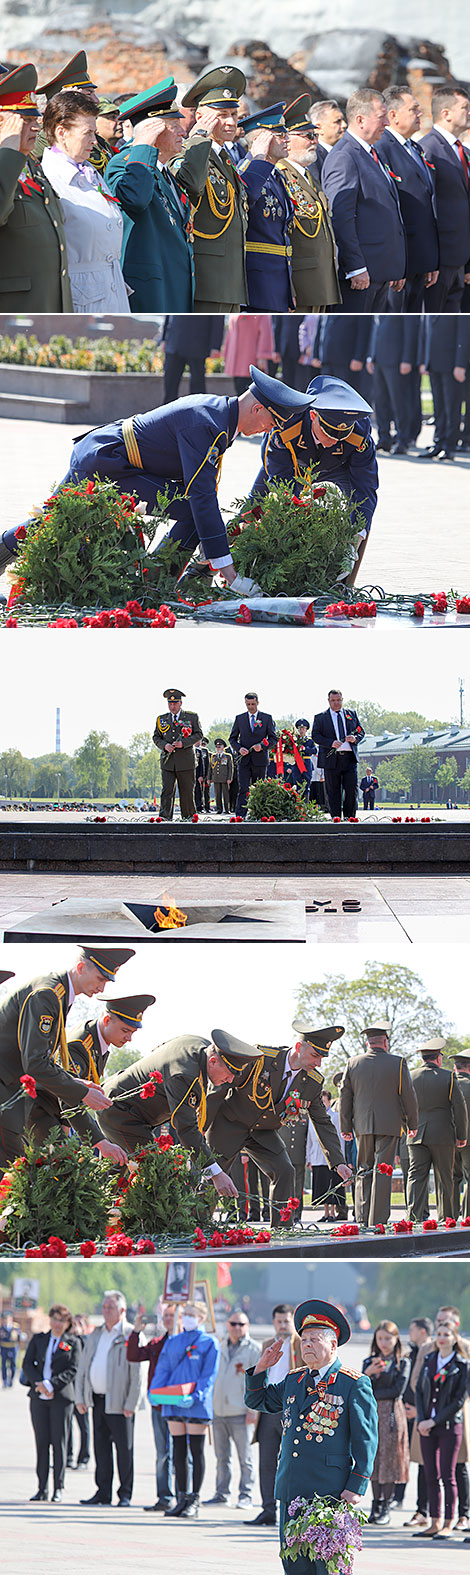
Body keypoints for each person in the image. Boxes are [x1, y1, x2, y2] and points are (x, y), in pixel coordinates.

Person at [0, 370, 314, 585]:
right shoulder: (209, 423)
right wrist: (226, 567)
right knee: (194, 510)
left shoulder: (219, 415)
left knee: (59, 518)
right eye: (272, 422)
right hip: (109, 461)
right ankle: (154, 583)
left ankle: (154, 581)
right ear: (258, 409)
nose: (268, 430)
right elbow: (201, 496)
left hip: (106, 453)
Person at [245, 1297, 378, 1570]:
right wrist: (260, 1369)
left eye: (315, 1339)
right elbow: (259, 1401)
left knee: (327, 1565)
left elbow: (366, 1438)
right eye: (304, 1339)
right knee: (295, 1564)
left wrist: (357, 1485)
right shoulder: (295, 1379)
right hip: (293, 1487)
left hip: (329, 1490)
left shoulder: (353, 1383)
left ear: (333, 1344)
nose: (307, 1345)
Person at [0, 946, 134, 1171]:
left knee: (14, 1177)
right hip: (6, 1089)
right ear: (81, 967)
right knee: (10, 1176)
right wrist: (82, 1092)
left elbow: (42, 1058)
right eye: (100, 978)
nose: (101, 987)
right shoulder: (48, 994)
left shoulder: (59, 995)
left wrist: (79, 1083)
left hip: (10, 1091)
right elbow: (35, 1062)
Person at [207, 1021, 352, 1227]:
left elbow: (322, 1121)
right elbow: (221, 1088)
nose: (319, 1063)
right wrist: (201, 1126)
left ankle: (281, 1230)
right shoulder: (260, 1058)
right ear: (299, 1048)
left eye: (322, 1057)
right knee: (210, 1171)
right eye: (315, 1055)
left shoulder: (312, 1081)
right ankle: (196, 1227)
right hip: (231, 1123)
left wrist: (338, 1162)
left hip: (263, 1131)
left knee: (285, 1170)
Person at [99, 1026, 261, 1198]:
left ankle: (99, 1217)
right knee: (160, 1174)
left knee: (113, 1177)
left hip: (124, 1108)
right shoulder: (185, 1075)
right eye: (229, 1074)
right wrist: (216, 1174)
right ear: (213, 1061)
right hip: (121, 1113)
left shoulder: (200, 1047)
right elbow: (186, 1128)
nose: (230, 1080)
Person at [249, 370, 378, 584]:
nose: (333, 442)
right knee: (254, 506)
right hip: (292, 465)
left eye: (341, 436)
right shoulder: (287, 422)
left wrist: (355, 536)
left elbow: (365, 488)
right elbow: (282, 483)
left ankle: (343, 585)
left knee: (362, 515)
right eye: (327, 433)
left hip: (338, 468)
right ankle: (209, 569)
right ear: (312, 415)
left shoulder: (360, 431)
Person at [105, 78, 210, 313]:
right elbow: (136, 199)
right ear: (154, 129)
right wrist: (142, 146)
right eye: (174, 125)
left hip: (173, 284)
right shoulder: (124, 162)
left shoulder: (164, 171)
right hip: (150, 288)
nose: (183, 131)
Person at [41, 90, 130, 313]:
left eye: (95, 133)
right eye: (87, 133)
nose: (94, 141)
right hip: (81, 295)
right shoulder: (49, 180)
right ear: (62, 133)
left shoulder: (90, 171)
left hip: (111, 288)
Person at [322, 87, 406, 313]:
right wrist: (355, 266)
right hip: (360, 275)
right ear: (360, 119)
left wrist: (395, 267)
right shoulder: (344, 156)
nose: (387, 124)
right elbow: (340, 217)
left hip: (379, 271)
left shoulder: (370, 153)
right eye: (381, 117)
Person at [174, 66, 249, 311]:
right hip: (208, 277)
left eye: (233, 114)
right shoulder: (192, 150)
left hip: (231, 278)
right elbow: (190, 186)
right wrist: (200, 138)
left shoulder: (225, 158)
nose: (230, 121)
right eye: (222, 114)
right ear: (201, 117)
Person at [0, 63, 73, 312]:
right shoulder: (12, 157)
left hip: (49, 300)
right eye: (25, 120)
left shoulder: (28, 160)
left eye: (35, 119)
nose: (35, 127)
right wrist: (8, 148)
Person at [339, 1020, 419, 1226]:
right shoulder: (398, 1062)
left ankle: (363, 1218)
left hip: (362, 1126)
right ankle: (379, 1220)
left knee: (363, 1170)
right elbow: (408, 1096)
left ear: (368, 1043)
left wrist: (345, 1127)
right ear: (385, 1042)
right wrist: (412, 1124)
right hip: (389, 1125)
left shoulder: (353, 1063)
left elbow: (345, 1096)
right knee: (383, 1170)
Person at [151, 1299, 220, 1518]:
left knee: (196, 1451)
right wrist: (155, 1392)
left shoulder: (210, 1342)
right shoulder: (174, 1341)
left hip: (196, 1404)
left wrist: (196, 1396)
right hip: (174, 1401)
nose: (187, 1317)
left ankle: (194, 1500)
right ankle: (181, 1498)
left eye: (192, 1314)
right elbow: (163, 1367)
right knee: (177, 1450)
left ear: (202, 1318)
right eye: (185, 1314)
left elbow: (208, 1376)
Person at [76, 1290, 142, 1507]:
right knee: (101, 1447)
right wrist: (81, 1397)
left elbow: (138, 1374)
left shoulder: (131, 1334)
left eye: (110, 1307)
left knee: (124, 1449)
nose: (105, 1311)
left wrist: (132, 1403)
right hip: (98, 1399)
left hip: (120, 1402)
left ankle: (125, 1493)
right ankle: (103, 1492)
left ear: (122, 1310)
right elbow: (84, 1368)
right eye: (104, 1307)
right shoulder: (96, 1334)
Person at [376, 87, 439, 313]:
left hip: (420, 257)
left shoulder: (415, 148)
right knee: (395, 324)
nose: (419, 114)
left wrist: (431, 259)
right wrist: (396, 264)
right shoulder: (381, 148)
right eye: (413, 109)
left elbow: (425, 203)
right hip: (399, 260)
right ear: (393, 116)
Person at [276, 95, 341, 310]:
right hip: (301, 284)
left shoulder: (306, 175)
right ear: (287, 138)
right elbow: (281, 236)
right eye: (307, 135)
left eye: (315, 135)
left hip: (321, 280)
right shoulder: (281, 175)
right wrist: (288, 289)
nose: (314, 141)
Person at [246, 1303, 302, 1529]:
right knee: (266, 1461)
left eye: (286, 1321)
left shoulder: (302, 1344)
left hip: (293, 1411)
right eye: (278, 1321)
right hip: (269, 1411)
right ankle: (268, 1508)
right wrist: (253, 1409)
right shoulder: (268, 1344)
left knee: (293, 1461)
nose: (282, 1325)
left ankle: (294, 1510)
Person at [237, 103, 296, 311]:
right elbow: (246, 195)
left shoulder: (277, 175)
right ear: (262, 139)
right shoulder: (245, 170)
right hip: (257, 284)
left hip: (278, 281)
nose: (287, 139)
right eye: (280, 134)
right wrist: (257, 156)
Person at [415, 1320, 469, 1539]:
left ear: (455, 1338)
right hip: (426, 1425)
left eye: (447, 1334)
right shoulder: (429, 1359)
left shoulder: (462, 1364)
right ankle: (435, 1522)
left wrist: (434, 1421)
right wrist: (421, 1419)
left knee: (448, 1475)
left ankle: (449, 1522)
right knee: (430, 1474)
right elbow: (419, 1390)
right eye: (439, 1333)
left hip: (448, 1425)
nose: (442, 1337)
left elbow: (458, 1400)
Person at [22, 1303, 80, 1503]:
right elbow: (27, 1363)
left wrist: (51, 1384)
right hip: (39, 1397)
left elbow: (73, 1369)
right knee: (42, 1442)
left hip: (61, 1398)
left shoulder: (71, 1342)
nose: (57, 1324)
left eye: (61, 1320)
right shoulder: (40, 1340)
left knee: (59, 1443)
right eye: (54, 1319)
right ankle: (42, 1487)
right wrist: (39, 1382)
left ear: (67, 1323)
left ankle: (58, 1487)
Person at [127, 1301, 181, 1513]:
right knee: (162, 1453)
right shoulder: (158, 1343)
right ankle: (164, 1496)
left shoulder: (187, 1343)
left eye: (173, 1316)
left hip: (179, 1407)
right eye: (166, 1316)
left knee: (182, 1454)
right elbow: (133, 1355)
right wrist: (136, 1331)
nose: (169, 1319)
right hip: (159, 1406)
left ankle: (184, 1495)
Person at [407, 1037, 468, 1223]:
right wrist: (461, 1135)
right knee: (445, 1179)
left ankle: (414, 1218)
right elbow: (459, 1108)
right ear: (438, 1058)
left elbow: (402, 1105)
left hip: (415, 1135)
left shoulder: (410, 1076)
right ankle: (446, 1218)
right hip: (442, 1135)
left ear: (423, 1058)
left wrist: (408, 1128)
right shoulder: (448, 1076)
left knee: (416, 1176)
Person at [420, 87, 470, 312]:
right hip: (440, 260)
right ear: (447, 113)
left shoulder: (459, 150)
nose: (469, 113)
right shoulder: (429, 148)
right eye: (465, 108)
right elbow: (427, 207)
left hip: (459, 257)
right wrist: (433, 260)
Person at [208, 1308, 261, 1509]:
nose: (237, 1328)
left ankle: (246, 1495)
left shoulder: (253, 1349)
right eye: (233, 1324)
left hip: (241, 1413)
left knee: (245, 1458)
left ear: (247, 1327)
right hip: (219, 1411)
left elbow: (257, 1382)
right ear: (227, 1325)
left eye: (241, 1324)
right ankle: (221, 1493)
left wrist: (253, 1410)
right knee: (222, 1457)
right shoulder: (219, 1346)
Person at [362, 1321, 410, 1526]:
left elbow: (397, 1391)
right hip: (372, 1414)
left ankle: (386, 1506)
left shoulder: (402, 1363)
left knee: (390, 1459)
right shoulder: (369, 1361)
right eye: (380, 1338)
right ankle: (375, 1505)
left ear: (396, 1339)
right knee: (374, 1459)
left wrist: (374, 1392)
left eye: (388, 1338)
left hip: (391, 1414)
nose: (384, 1343)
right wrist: (369, 1373)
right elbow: (360, 1387)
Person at [366, 315, 421, 455]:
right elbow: (375, 329)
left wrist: (407, 358)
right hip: (379, 359)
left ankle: (403, 439)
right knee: (380, 401)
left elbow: (411, 330)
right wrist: (371, 356)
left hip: (397, 360)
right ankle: (384, 438)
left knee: (400, 402)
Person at [400, 1317, 434, 1527]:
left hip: (428, 1416)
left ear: (422, 1331)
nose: (409, 1334)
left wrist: (419, 1411)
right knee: (419, 1463)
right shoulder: (411, 1353)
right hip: (411, 1413)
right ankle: (422, 1510)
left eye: (412, 1330)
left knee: (435, 1466)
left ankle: (448, 1514)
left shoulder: (434, 1352)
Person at [312, 690, 365, 820]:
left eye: (338, 700)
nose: (336, 703)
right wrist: (330, 743)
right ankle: (336, 818)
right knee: (333, 791)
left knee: (351, 790)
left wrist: (355, 738)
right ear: (329, 701)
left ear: (342, 699)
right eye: (333, 701)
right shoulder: (321, 717)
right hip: (331, 759)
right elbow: (315, 736)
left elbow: (361, 731)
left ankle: (349, 818)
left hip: (349, 758)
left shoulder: (351, 714)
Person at [153, 687, 203, 821]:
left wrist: (184, 743)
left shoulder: (191, 717)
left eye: (175, 703)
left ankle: (188, 818)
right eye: (170, 703)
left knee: (186, 792)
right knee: (167, 791)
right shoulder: (162, 719)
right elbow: (156, 737)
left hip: (186, 762)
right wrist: (164, 746)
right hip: (168, 762)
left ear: (181, 703)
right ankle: (164, 817)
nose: (172, 706)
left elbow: (199, 734)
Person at [229, 692, 277, 818]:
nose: (250, 707)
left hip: (260, 760)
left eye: (253, 704)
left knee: (260, 789)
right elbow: (232, 739)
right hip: (244, 760)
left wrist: (262, 746)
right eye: (248, 704)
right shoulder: (240, 719)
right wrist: (239, 749)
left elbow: (273, 739)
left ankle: (259, 814)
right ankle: (240, 815)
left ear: (258, 703)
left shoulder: (267, 718)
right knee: (243, 788)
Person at [162, 316, 224, 402]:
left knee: (197, 388)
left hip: (198, 343)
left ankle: (198, 413)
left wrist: (215, 346)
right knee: (170, 385)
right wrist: (164, 338)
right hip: (174, 342)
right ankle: (167, 413)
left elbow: (218, 317)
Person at [452, 1052, 470, 1218]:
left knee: (452, 1179)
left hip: (448, 1139)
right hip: (468, 1140)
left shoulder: (447, 1084)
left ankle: (450, 1216)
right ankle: (468, 1215)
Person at [310, 100, 346, 175]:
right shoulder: (314, 158)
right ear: (319, 128)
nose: (344, 125)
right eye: (337, 121)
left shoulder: (343, 151)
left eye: (343, 120)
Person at [209, 738, 233, 814]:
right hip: (216, 778)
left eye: (220, 746)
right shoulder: (213, 756)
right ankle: (219, 809)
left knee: (226, 795)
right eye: (217, 746)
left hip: (225, 778)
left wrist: (229, 778)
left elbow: (230, 768)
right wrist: (209, 778)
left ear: (223, 747)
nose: (218, 748)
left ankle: (227, 809)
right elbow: (210, 768)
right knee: (217, 795)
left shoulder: (227, 756)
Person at [0, 1314, 21, 1387]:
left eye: (8, 1318)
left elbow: (19, 1339)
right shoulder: (1, 1328)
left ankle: (11, 1380)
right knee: (4, 1365)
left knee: (13, 1365)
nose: (6, 1320)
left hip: (13, 1348)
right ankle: (5, 1381)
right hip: (4, 1348)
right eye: (4, 1319)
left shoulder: (15, 1328)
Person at [194, 736, 211, 814]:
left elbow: (203, 764)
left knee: (200, 791)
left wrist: (202, 775)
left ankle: (199, 807)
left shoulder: (201, 751)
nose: (199, 742)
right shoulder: (190, 749)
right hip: (190, 774)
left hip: (198, 774)